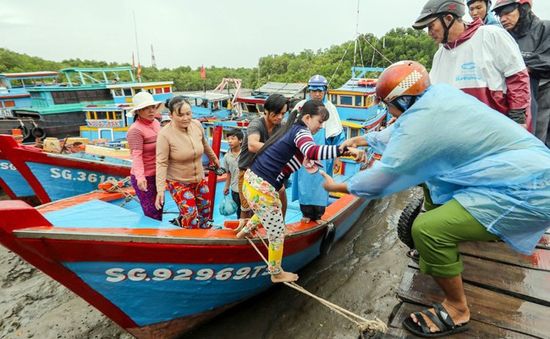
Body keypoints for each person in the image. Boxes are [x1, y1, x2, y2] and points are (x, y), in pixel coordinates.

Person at [325, 60, 550, 337]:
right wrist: (362, 140)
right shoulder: (438, 97)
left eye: (388, 105)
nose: (388, 111)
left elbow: (383, 179)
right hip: (525, 169)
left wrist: (339, 186)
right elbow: (398, 130)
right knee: (430, 180)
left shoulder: (421, 126)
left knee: (427, 229)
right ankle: (441, 250)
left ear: (404, 101)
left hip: (527, 192)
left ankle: (457, 309)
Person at [240, 100, 364, 283]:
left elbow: (305, 155)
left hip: (252, 183)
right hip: (262, 188)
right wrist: (344, 149)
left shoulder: (291, 129)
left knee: (266, 209)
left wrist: (335, 154)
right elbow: (312, 152)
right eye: (319, 122)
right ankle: (276, 272)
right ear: (307, 118)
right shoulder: (301, 132)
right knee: (277, 232)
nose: (321, 127)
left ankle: (244, 232)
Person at [413, 0, 531, 128]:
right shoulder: (439, 55)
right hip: (462, 137)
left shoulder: (491, 35)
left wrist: (518, 118)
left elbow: (517, 77)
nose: (429, 33)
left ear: (448, 18)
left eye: (431, 26)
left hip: (497, 133)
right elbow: (431, 98)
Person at [155, 97, 220, 229]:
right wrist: (160, 189)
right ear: (171, 115)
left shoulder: (196, 125)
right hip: (178, 181)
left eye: (188, 114)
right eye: (180, 115)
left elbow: (204, 144)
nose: (185, 118)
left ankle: (204, 237)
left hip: (198, 178)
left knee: (205, 211)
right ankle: (190, 240)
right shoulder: (165, 135)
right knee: (190, 215)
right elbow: (161, 163)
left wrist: (214, 159)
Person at [493, 0, 550, 146]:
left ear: (523, 9)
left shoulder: (546, 28)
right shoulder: (503, 36)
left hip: (542, 94)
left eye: (507, 13)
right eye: (500, 15)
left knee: (537, 140)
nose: (503, 19)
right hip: (515, 97)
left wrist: (521, 67)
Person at [291, 75, 344, 224]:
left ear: (325, 91)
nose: (317, 94)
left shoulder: (330, 109)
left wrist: (337, 158)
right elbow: (291, 129)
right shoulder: (301, 106)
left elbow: (337, 136)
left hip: (323, 154)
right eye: (314, 90)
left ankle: (319, 215)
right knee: (304, 183)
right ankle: (306, 214)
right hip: (303, 153)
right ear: (309, 91)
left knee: (321, 184)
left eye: (320, 91)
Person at [236, 94, 287, 228]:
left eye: (283, 113)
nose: (280, 117)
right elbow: (253, 145)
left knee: (281, 191)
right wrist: (278, 149)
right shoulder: (256, 124)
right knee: (246, 209)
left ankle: (281, 226)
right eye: (276, 113)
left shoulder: (281, 126)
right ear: (266, 111)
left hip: (266, 173)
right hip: (247, 171)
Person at [126, 91, 163, 220]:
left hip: (158, 174)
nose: (150, 111)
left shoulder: (156, 123)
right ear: (138, 111)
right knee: (152, 212)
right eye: (146, 108)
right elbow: (136, 155)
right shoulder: (135, 130)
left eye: (152, 107)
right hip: (145, 176)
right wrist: (140, 178)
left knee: (159, 208)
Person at [222, 128, 244, 218]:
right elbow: (229, 173)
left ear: (240, 140)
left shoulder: (245, 154)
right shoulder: (227, 156)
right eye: (228, 139)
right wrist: (226, 187)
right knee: (239, 212)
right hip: (235, 189)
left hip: (247, 189)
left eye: (233, 138)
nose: (230, 141)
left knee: (249, 211)